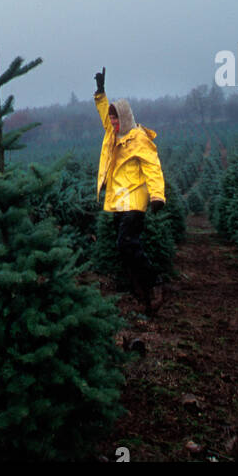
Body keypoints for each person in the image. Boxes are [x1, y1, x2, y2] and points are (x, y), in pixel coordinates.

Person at [93, 67, 167, 314]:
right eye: (111, 119)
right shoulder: (112, 135)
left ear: (125, 118)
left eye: (116, 118)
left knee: (127, 244)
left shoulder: (138, 138)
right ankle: (143, 296)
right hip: (117, 202)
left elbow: (153, 168)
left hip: (134, 200)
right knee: (123, 248)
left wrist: (157, 196)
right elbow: (104, 114)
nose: (112, 122)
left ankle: (155, 284)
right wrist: (101, 93)